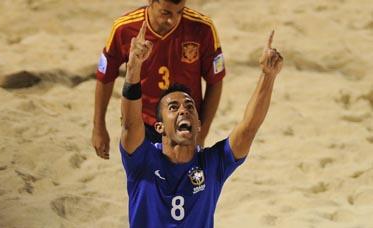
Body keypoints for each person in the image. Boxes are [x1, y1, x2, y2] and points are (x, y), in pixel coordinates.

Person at [119, 21, 283, 227]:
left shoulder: (213, 163)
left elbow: (249, 128)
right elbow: (130, 124)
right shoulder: (142, 160)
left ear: (198, 125)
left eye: (189, 106)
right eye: (173, 107)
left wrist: (268, 77)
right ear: (159, 127)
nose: (183, 110)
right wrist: (134, 68)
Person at [92, 0, 226, 160]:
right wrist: (98, 126)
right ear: (150, 2)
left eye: (179, 11)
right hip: (141, 124)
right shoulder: (125, 28)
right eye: (166, 13)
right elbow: (105, 77)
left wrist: (201, 132)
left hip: (183, 125)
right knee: (143, 183)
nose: (173, 20)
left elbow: (215, 81)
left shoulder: (203, 28)